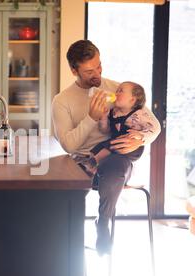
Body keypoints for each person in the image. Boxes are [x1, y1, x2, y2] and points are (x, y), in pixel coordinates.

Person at [51, 40, 161, 256]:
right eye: (89, 70)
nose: (98, 73)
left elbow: (154, 126)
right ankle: (64, 251)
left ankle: (103, 224)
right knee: (58, 186)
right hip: (83, 160)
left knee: (116, 171)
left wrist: (139, 139)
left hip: (117, 158)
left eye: (99, 65)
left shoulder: (119, 90)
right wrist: (91, 118)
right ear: (74, 70)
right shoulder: (62, 101)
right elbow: (68, 145)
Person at [79, 81, 152, 176]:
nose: (116, 93)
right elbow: (105, 130)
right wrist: (104, 117)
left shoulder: (139, 114)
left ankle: (92, 163)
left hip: (132, 148)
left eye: (120, 91)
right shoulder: (114, 112)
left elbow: (151, 128)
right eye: (117, 90)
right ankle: (93, 169)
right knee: (99, 147)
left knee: (109, 147)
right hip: (115, 142)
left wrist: (140, 135)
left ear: (132, 100)